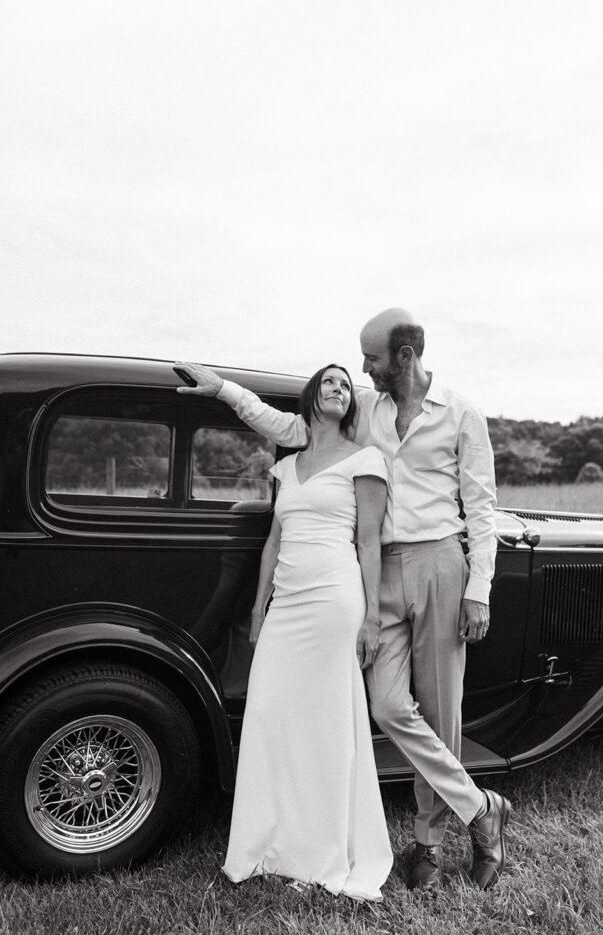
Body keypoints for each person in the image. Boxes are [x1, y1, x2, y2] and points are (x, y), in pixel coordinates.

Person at [175, 307, 510, 892]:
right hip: (375, 573)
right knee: (385, 705)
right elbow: (292, 427)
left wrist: (478, 590)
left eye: (371, 358)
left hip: (438, 562)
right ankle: (483, 807)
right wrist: (227, 391)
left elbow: (481, 510)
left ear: (403, 357)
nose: (362, 369)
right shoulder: (365, 410)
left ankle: (429, 843)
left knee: (440, 710)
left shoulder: (462, 414)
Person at [180, 363, 393, 900]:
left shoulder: (366, 461)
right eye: (330, 381)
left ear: (351, 403)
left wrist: (372, 616)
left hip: (333, 599)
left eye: (347, 385)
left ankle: (319, 853)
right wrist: (258, 607)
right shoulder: (289, 465)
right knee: (272, 715)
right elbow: (273, 540)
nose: (339, 389)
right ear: (312, 394)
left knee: (323, 724)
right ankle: (266, 840)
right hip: (287, 602)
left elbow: (369, 543)